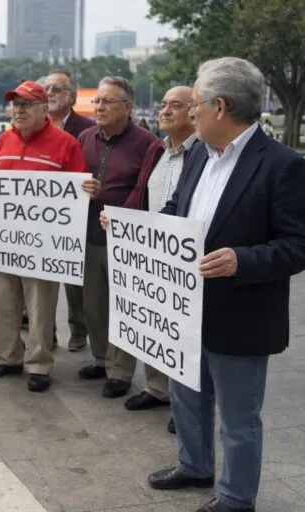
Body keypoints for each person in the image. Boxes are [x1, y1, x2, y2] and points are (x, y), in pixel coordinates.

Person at [146, 57, 305, 512]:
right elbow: (178, 209)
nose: (188, 112)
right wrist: (132, 228)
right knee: (187, 398)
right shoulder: (197, 152)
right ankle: (194, 465)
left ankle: (236, 499)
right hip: (184, 308)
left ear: (219, 107)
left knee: (238, 417)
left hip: (242, 315)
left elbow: (297, 245)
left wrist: (242, 260)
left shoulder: (283, 165)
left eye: (193, 103)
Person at [0, 81, 96, 392]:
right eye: (15, 105)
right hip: (5, 242)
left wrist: (87, 191)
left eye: (26, 105)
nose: (18, 110)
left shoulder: (66, 143)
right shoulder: (3, 141)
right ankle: (6, 357)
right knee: (2, 301)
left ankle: (38, 363)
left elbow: (77, 191)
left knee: (40, 304)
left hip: (45, 245)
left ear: (44, 110)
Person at [103, 86, 197, 434]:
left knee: (182, 333)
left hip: (184, 258)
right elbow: (141, 193)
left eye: (176, 105)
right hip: (151, 255)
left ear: (194, 112)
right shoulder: (156, 149)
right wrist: (120, 218)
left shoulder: (201, 152)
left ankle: (186, 404)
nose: (165, 111)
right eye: (163, 105)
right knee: (157, 324)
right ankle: (158, 390)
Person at [76, 77, 159, 398]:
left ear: (128, 107)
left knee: (122, 307)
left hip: (126, 242)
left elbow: (147, 191)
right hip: (89, 235)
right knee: (93, 306)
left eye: (108, 101)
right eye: (97, 101)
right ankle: (101, 358)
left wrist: (120, 213)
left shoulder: (148, 143)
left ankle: (121, 371)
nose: (99, 107)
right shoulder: (84, 138)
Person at [39, 69, 96, 352]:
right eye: (47, 88)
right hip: (39, 220)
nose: (50, 93)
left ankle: (78, 331)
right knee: (42, 282)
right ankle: (44, 333)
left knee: (75, 283)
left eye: (57, 89)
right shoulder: (34, 126)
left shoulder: (86, 129)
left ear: (72, 97)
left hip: (74, 219)